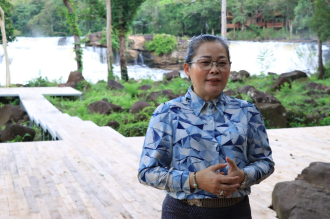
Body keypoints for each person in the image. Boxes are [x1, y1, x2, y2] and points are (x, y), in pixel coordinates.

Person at [138, 34, 275, 219]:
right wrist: (194, 180)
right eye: (205, 62)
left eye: (221, 63)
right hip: (183, 212)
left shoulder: (247, 112)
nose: (215, 69)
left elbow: (265, 162)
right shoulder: (167, 113)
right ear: (187, 68)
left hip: (237, 212)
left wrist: (242, 176)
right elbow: (147, 171)